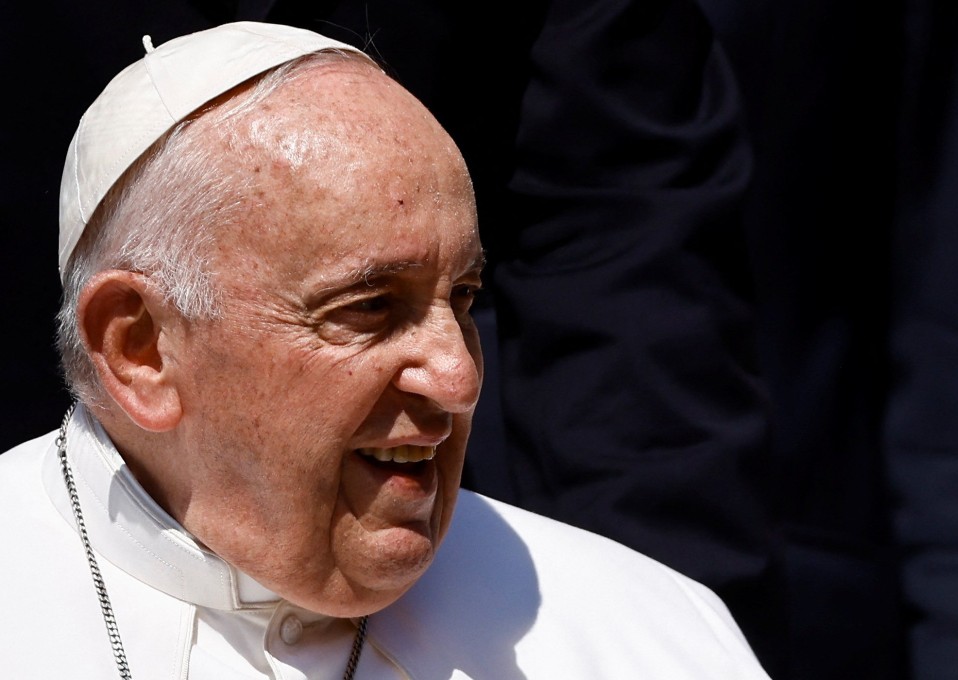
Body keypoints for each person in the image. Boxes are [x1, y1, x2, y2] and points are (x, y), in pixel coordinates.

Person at [1, 3, 788, 676]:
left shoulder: (649, 634)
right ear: (142, 350)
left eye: (465, 296)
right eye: (371, 308)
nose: (457, 378)